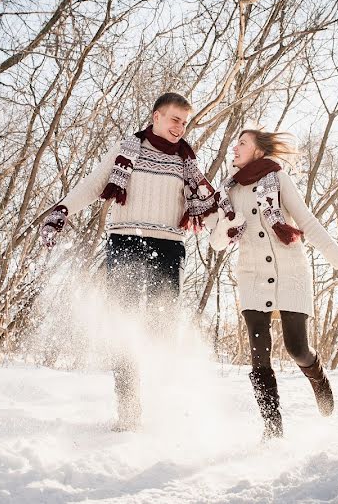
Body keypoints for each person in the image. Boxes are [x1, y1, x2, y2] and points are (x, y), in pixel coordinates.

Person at [39, 92, 217, 431]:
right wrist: (61, 210)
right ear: (156, 117)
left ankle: (164, 403)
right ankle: (129, 413)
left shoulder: (187, 163)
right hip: (126, 244)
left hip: (168, 248)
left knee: (161, 330)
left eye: (184, 121)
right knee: (125, 329)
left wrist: (228, 229)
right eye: (174, 119)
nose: (180, 127)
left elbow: (205, 207)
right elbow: (94, 185)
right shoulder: (127, 150)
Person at [209, 129, 338, 440]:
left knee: (296, 348)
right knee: (259, 354)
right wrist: (226, 228)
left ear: (258, 150)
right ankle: (272, 429)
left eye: (242, 142)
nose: (235, 147)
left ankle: (319, 378)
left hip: (291, 272)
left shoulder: (278, 178)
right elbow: (217, 242)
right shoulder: (227, 191)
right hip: (252, 277)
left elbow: (309, 224)